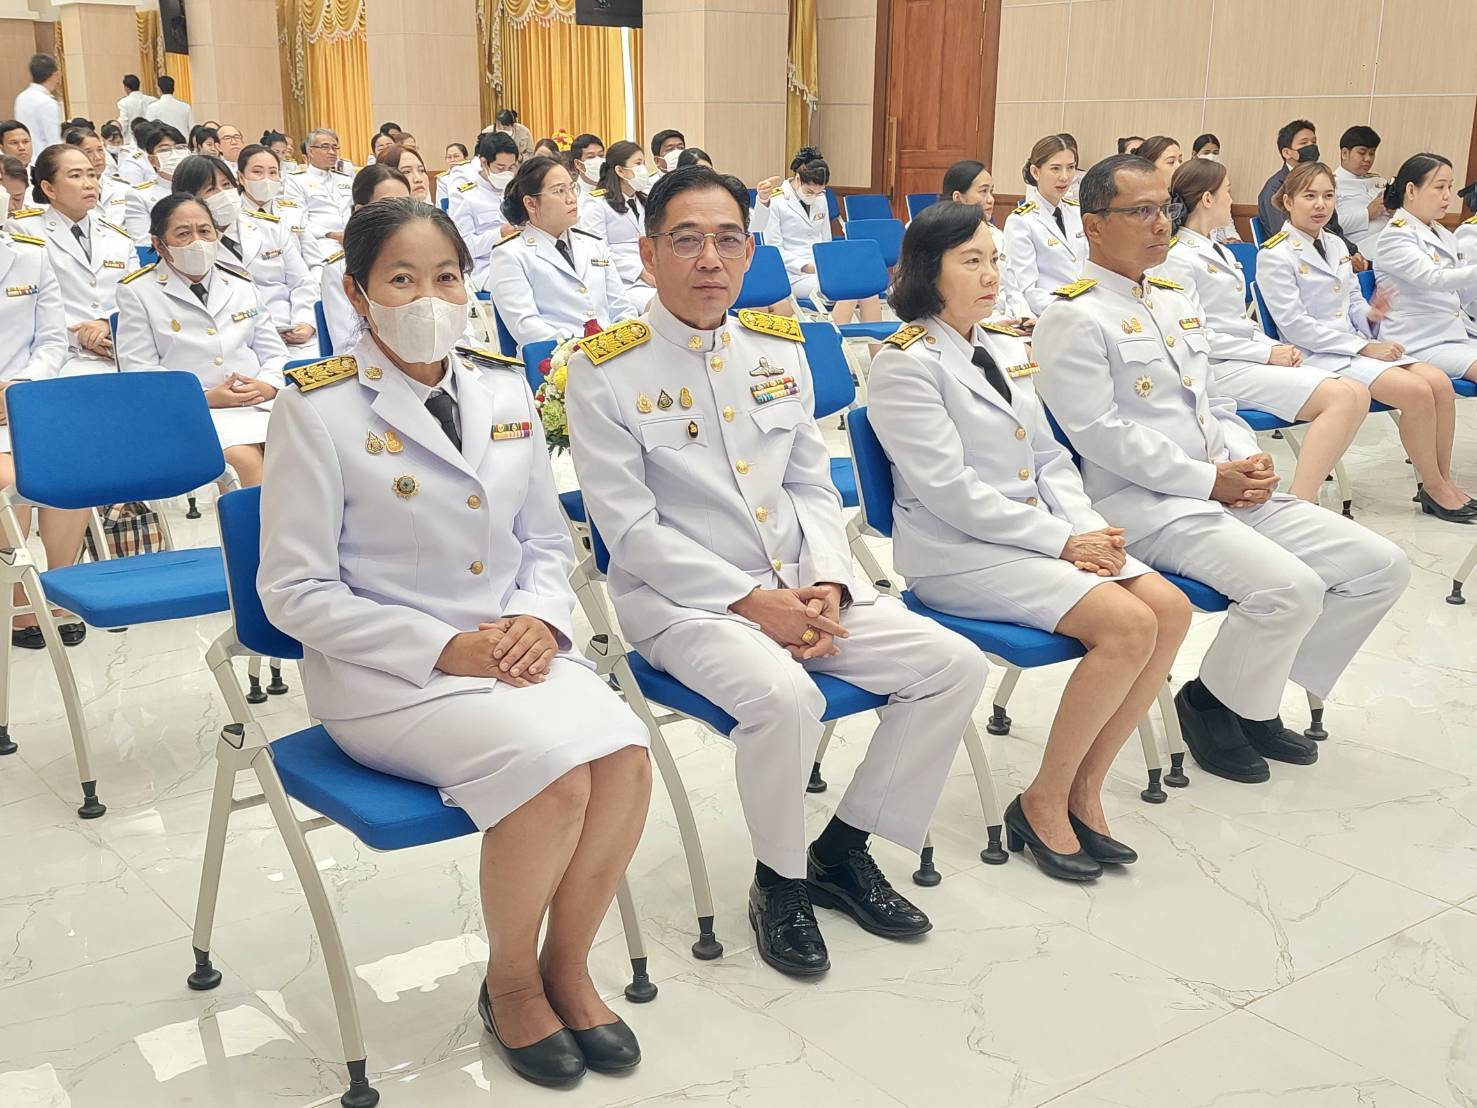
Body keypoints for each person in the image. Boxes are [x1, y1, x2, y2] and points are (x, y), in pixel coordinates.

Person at [262, 195, 653, 1086]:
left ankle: (568, 965)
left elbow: (545, 542)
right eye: (402, 279)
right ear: (359, 295)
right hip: (387, 676)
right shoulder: (316, 409)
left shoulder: (503, 384)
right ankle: (512, 983)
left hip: (514, 648)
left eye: (446, 276)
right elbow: (291, 592)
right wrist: (443, 648)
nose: (428, 297)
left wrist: (539, 620)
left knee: (626, 758)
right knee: (554, 783)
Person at [568, 164, 988, 976]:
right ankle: (780, 882)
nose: (709, 260)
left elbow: (806, 482)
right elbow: (629, 530)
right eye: (685, 241)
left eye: (726, 240)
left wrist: (827, 581)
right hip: (683, 607)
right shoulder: (603, 370)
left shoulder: (776, 347)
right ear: (647, 254)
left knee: (950, 664)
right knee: (785, 697)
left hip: (803, 584)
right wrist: (754, 603)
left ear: (750, 250)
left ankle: (844, 845)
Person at [1034, 153, 1409, 786]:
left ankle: (1241, 697)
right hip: (1146, 503)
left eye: (1166, 209)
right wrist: (1211, 479)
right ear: (1095, 225)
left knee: (1380, 567)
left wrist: (1244, 456)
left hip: (1224, 486)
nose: (1161, 224)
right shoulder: (1073, 314)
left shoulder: (1175, 296)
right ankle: (1213, 707)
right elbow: (1099, 435)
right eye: (1141, 211)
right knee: (1292, 588)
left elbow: (1215, 400)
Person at [868, 201, 1191, 881]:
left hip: (1038, 538)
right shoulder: (903, 363)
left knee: (1170, 609)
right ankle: (1042, 798)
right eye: (971, 261)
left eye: (993, 259)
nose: (990, 275)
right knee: (1128, 626)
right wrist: (1062, 542)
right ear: (928, 271)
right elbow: (948, 492)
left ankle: (1084, 786)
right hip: (956, 555)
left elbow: (1049, 459)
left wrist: (1085, 529)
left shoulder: (1006, 347)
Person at [1258, 161, 1472, 521]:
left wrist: (1371, 316)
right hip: (1317, 355)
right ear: (1288, 201)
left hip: (1353, 347)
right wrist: (1363, 346)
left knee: (1438, 383)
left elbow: (1353, 303)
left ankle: (1443, 480)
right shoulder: (1274, 254)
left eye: (1328, 196)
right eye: (1309, 196)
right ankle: (1433, 487)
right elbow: (1295, 327)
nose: (1320, 205)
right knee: (1418, 392)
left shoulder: (1336, 245)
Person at [1163, 157, 1367, 502]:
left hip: (1243, 357)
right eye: (1227, 191)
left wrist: (1271, 347)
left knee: (1356, 393)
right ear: (1208, 199)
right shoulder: (1178, 257)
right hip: (1215, 368)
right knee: (1343, 397)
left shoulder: (1218, 250)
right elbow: (1193, 335)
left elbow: (1240, 322)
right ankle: (1305, 499)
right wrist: (1265, 352)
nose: (1232, 199)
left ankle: (1305, 495)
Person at [115, 194, 288, 486]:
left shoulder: (241, 284)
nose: (198, 241)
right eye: (183, 234)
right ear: (158, 244)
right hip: (192, 412)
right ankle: (254, 533)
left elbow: (276, 353)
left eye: (205, 231)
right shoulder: (138, 292)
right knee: (246, 460)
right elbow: (140, 372)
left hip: (256, 405)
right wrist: (204, 398)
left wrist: (268, 386)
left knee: (304, 448)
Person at [0, 223, 87, 648]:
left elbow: (52, 341)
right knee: (7, 478)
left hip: (25, 398)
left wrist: (21, 386)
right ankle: (16, 599)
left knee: (71, 467)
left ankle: (59, 587)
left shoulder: (30, 254)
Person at [482, 155, 635, 349]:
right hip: (554, 362)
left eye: (572, 188)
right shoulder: (510, 254)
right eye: (560, 191)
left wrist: (621, 343)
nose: (571, 198)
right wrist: (584, 348)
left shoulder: (594, 245)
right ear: (530, 204)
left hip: (613, 353)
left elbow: (622, 308)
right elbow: (526, 327)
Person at [172, 154, 316, 349]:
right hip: (235, 343)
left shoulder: (270, 227)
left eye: (227, 185)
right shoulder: (188, 247)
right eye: (211, 189)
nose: (223, 194)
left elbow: (302, 282)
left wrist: (305, 322)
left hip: (294, 334)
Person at [23, 142, 139, 374]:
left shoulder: (119, 238)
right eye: (75, 176)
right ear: (49, 188)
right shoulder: (25, 233)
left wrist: (108, 324)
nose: (89, 184)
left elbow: (137, 299)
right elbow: (24, 306)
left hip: (116, 350)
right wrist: (79, 335)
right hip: (60, 355)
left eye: (92, 175)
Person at [1375, 153, 1477, 383]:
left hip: (1454, 334)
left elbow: (1461, 294)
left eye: (1450, 187)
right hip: (1419, 340)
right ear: (1411, 190)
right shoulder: (1395, 236)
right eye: (1439, 187)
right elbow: (1433, 278)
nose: (1448, 196)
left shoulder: (1443, 234)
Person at [768, 147, 882, 327]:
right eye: (809, 192)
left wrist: (828, 264)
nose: (814, 197)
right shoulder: (776, 202)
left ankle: (875, 351)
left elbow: (826, 241)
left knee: (868, 291)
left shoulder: (821, 199)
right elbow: (773, 249)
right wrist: (806, 266)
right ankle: (835, 343)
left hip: (822, 270)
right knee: (850, 288)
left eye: (820, 192)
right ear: (798, 179)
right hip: (793, 274)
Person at [318, 164, 413, 353]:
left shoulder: (430, 258)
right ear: (361, 212)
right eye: (388, 206)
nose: (401, 215)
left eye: (407, 204)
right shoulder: (340, 268)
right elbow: (347, 344)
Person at [940, 158, 1032, 325]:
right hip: (974, 325)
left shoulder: (997, 235)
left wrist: (1025, 317)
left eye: (992, 192)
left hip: (1006, 322)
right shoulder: (938, 235)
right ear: (958, 197)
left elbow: (1013, 288)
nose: (991, 199)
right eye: (983, 191)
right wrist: (992, 325)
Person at [1256, 119, 1362, 264]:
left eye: (1314, 142)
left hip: (1330, 251)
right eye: (1304, 143)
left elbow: (1334, 228)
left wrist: (1352, 251)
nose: (1311, 147)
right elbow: (1281, 231)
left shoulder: (1320, 181)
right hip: (1297, 258)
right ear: (1287, 153)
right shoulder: (1275, 188)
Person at [1003, 134, 1084, 315]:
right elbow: (1026, 289)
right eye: (1055, 169)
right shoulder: (1021, 221)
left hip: (1086, 308)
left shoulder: (1078, 212)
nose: (1065, 177)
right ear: (1035, 172)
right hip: (1051, 313)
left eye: (1071, 168)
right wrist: (1070, 309)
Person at [579, 140, 656, 311]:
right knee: (659, 308)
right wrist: (640, 272)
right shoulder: (597, 203)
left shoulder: (645, 201)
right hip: (622, 282)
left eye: (644, 163)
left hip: (654, 274)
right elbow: (597, 251)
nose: (643, 169)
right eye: (638, 163)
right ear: (620, 170)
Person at [448, 130, 519, 286]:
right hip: (486, 267)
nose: (506, 173)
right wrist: (499, 234)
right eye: (500, 168)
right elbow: (463, 247)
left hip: (520, 258)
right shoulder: (465, 196)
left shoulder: (516, 190)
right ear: (484, 163)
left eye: (511, 167)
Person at [284, 127, 353, 244]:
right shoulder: (296, 180)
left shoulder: (345, 179)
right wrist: (330, 234)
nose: (332, 152)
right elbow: (297, 221)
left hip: (352, 239)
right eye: (325, 147)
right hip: (320, 241)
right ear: (310, 151)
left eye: (334, 147)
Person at [121, 123, 186, 244]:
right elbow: (143, 243)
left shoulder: (202, 187)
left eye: (179, 148)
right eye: (165, 150)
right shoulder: (139, 196)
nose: (174, 154)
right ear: (152, 160)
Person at [1335, 125, 1388, 260]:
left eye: (1372, 153)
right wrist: (1367, 214)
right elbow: (1328, 226)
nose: (1368, 159)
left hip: (1390, 237)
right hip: (1358, 248)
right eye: (1362, 153)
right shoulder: (1330, 184)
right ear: (1344, 153)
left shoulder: (1379, 181)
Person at [13, 55, 61, 163]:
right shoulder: (47, 102)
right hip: (43, 160)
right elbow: (53, 141)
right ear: (53, 75)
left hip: (23, 158)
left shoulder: (21, 97)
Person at [569, 134, 605, 204]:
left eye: (601, 155)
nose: (598, 160)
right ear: (578, 164)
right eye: (591, 157)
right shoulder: (573, 197)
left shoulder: (617, 188)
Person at [437, 141, 474, 206]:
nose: (452, 160)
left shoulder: (475, 173)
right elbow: (442, 203)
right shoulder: (442, 179)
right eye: (449, 157)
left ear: (465, 158)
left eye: (456, 156)